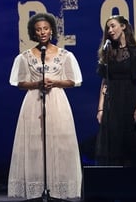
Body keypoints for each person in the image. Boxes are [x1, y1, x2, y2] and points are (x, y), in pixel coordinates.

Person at [7, 12, 83, 199]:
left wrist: (55, 82)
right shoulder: (25, 56)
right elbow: (18, 82)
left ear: (51, 31)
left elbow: (74, 80)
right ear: (33, 32)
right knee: (35, 146)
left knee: (60, 145)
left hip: (57, 102)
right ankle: (37, 187)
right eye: (38, 29)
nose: (42, 32)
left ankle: (57, 189)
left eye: (46, 29)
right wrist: (36, 84)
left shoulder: (65, 55)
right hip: (34, 103)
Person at [95, 14, 136, 168]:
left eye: (113, 26)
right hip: (114, 104)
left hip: (132, 100)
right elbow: (105, 82)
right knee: (115, 145)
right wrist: (101, 108)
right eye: (108, 28)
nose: (110, 30)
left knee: (134, 146)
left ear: (123, 26)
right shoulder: (108, 52)